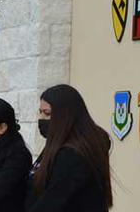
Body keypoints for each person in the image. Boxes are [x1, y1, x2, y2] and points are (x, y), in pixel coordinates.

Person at [26, 84, 113, 212]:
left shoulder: (73, 154)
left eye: (47, 113)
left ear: (66, 116)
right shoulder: (59, 144)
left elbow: (53, 200)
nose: (41, 118)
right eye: (40, 112)